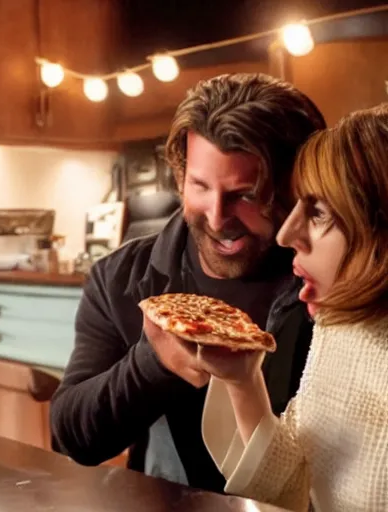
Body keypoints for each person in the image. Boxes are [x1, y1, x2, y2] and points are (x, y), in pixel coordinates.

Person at [49, 73, 327, 492]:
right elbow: (73, 437)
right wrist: (152, 366)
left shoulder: (327, 279)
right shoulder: (121, 278)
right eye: (200, 186)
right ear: (180, 176)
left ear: (293, 187)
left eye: (245, 195)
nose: (217, 217)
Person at [200, 103, 388, 511]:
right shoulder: (339, 326)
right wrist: (243, 381)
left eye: (318, 211)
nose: (287, 234)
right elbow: (292, 486)